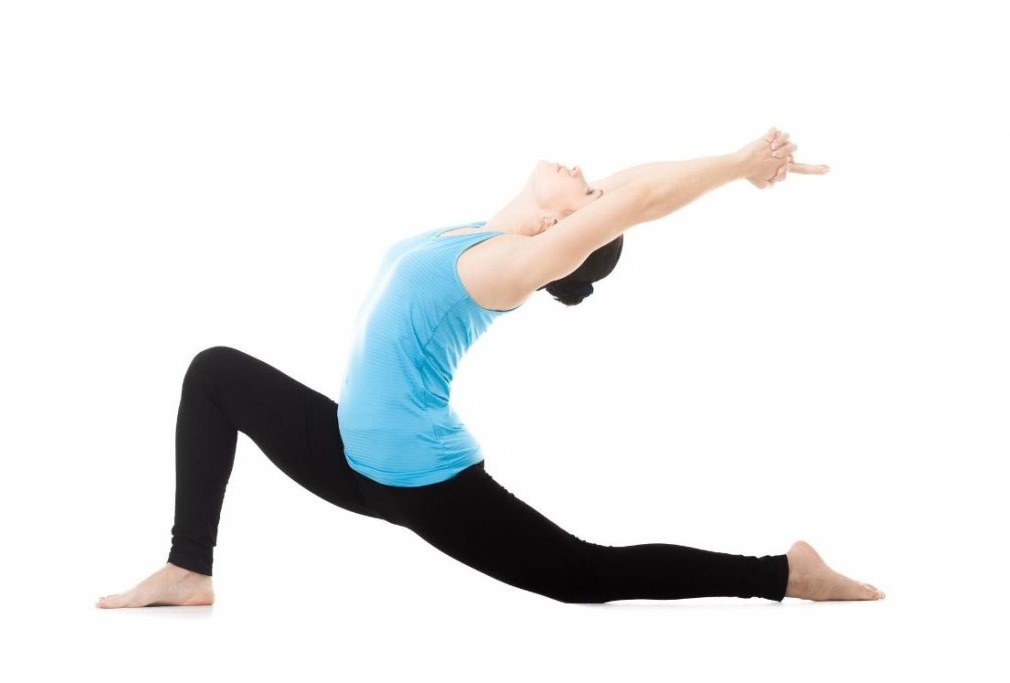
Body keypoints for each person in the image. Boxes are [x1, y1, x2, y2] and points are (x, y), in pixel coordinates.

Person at [96, 127, 885, 608]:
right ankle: (187, 565)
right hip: (349, 450)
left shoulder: (506, 268)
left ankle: (786, 574)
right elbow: (624, 190)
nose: (588, 171)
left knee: (585, 575)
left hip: (420, 478)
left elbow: (638, 196)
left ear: (572, 227)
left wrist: (739, 162)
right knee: (215, 373)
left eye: (592, 190)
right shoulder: (476, 234)